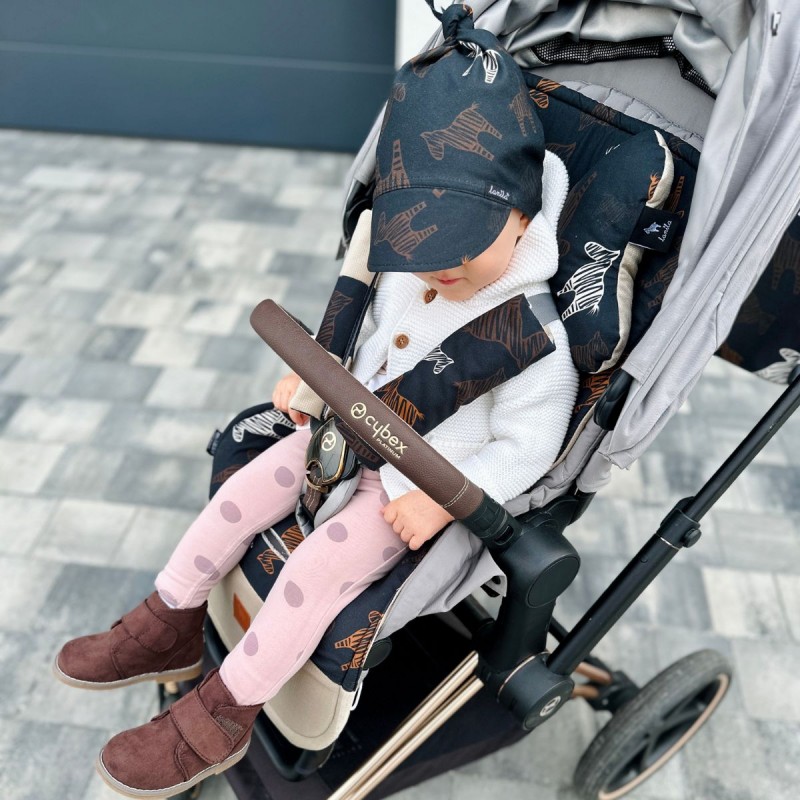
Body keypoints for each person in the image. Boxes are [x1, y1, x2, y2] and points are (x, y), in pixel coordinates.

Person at [52, 5, 578, 797]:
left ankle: (224, 713)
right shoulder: (409, 269)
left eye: (461, 243)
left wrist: (445, 501)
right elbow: (371, 346)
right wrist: (315, 379)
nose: (437, 264)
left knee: (318, 565)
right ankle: (166, 619)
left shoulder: (535, 342)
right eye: (419, 239)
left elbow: (527, 448)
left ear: (523, 217)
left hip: (411, 486)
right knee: (239, 495)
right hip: (344, 433)